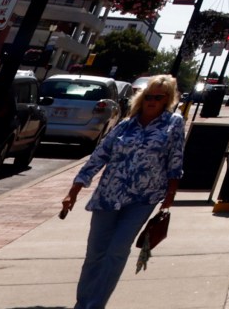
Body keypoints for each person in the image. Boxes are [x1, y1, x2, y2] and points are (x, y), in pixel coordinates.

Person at [60, 73, 186, 309]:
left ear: (167, 99)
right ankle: (82, 303)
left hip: (143, 198)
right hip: (109, 195)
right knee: (95, 253)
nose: (152, 101)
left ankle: (95, 304)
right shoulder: (126, 125)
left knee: (117, 251)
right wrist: (74, 190)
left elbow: (175, 162)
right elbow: (98, 157)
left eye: (159, 97)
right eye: (149, 96)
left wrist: (169, 199)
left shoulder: (173, 124)